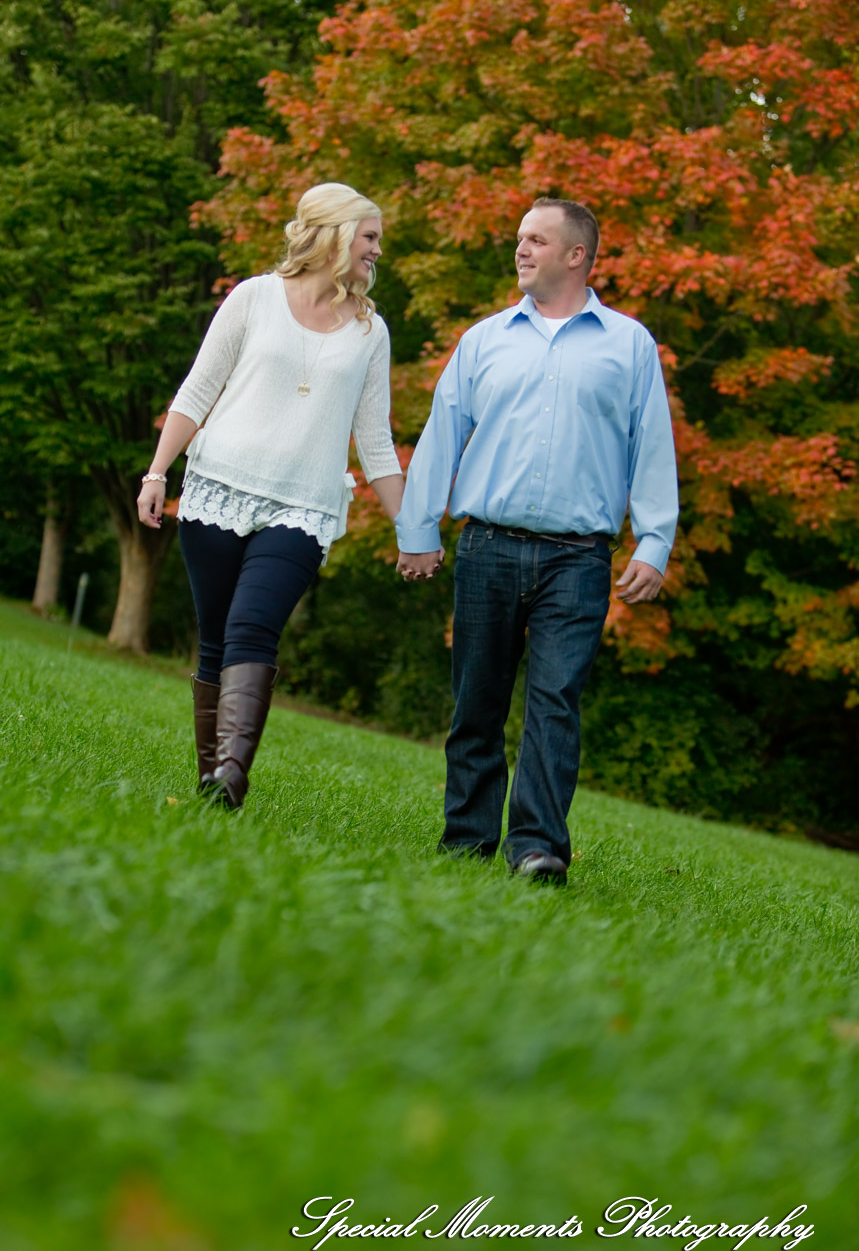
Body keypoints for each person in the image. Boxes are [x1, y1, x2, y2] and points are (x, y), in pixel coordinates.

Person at [395, 198, 678, 884]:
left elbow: (651, 447)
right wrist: (418, 527)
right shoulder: (484, 340)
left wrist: (653, 542)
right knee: (477, 704)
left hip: (578, 559)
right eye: (519, 238)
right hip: (486, 547)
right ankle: (466, 841)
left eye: (536, 240)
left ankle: (536, 849)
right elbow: (442, 434)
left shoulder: (629, 345)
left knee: (554, 704)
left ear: (576, 255)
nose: (520, 249)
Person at [137, 182, 403, 809]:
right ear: (336, 234)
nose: (377, 251)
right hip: (219, 488)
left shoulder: (371, 332)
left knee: (254, 627)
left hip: (303, 506)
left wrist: (411, 528)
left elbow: (375, 440)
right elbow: (198, 390)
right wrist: (157, 473)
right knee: (215, 640)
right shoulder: (253, 297)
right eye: (369, 237)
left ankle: (231, 777)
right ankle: (211, 781)